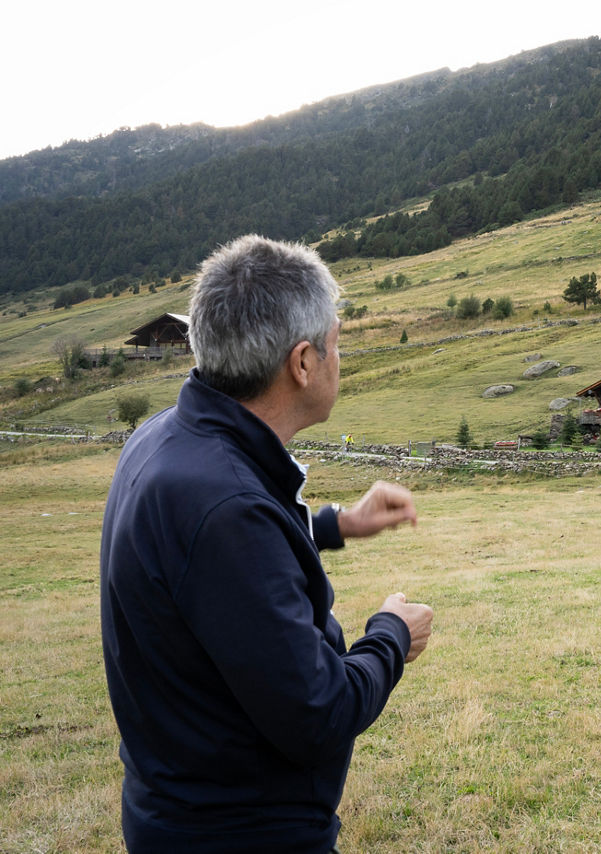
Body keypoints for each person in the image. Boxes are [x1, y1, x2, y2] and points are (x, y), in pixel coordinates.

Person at [100, 235, 434, 853]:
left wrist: (336, 524)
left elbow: (206, 570)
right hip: (240, 834)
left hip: (177, 812)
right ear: (302, 362)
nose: (340, 358)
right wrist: (390, 635)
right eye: (337, 343)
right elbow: (319, 715)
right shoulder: (224, 506)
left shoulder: (166, 442)